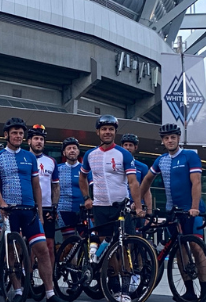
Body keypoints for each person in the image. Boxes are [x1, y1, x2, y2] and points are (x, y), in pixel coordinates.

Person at [0, 117, 62, 302]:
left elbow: (36, 186)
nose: (17, 136)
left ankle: (50, 293)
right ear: (6, 135)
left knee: (43, 250)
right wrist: (2, 204)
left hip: (29, 211)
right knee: (13, 252)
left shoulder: (29, 157)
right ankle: (18, 290)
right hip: (9, 211)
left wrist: (39, 211)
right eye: (14, 133)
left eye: (21, 133)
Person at [138, 123, 206, 300]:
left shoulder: (189, 156)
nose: (170, 140)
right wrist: (137, 200)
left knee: (196, 248)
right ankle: (189, 291)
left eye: (173, 137)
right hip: (172, 212)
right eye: (166, 138)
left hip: (191, 210)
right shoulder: (161, 160)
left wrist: (193, 207)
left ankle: (205, 293)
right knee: (179, 250)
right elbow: (147, 180)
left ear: (178, 138)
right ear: (163, 140)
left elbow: (197, 182)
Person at [79, 115, 142, 302]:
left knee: (125, 247)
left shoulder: (124, 154)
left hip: (120, 207)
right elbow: (82, 178)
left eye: (111, 129)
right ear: (98, 132)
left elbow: (133, 182)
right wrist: (87, 198)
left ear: (115, 132)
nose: (108, 132)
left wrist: (137, 206)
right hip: (99, 206)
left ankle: (126, 288)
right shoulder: (91, 155)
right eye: (104, 129)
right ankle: (114, 286)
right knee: (106, 247)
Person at [27, 124, 59, 265]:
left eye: (41, 139)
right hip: (28, 207)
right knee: (29, 246)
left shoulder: (51, 161)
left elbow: (55, 186)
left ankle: (49, 280)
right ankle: (27, 279)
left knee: (49, 245)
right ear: (29, 141)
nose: (39, 141)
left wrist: (54, 206)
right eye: (36, 138)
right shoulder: (24, 158)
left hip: (46, 208)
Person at [55, 137, 91, 239]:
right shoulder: (57, 169)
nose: (72, 151)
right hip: (63, 210)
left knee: (85, 240)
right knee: (69, 243)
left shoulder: (85, 169)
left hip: (82, 210)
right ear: (64, 153)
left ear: (78, 151)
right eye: (69, 148)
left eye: (74, 148)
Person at [120, 134, 152, 209]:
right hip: (119, 205)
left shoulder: (142, 167)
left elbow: (146, 191)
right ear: (122, 147)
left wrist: (149, 212)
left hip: (136, 207)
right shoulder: (116, 165)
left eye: (130, 145)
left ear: (135, 147)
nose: (128, 147)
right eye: (125, 145)